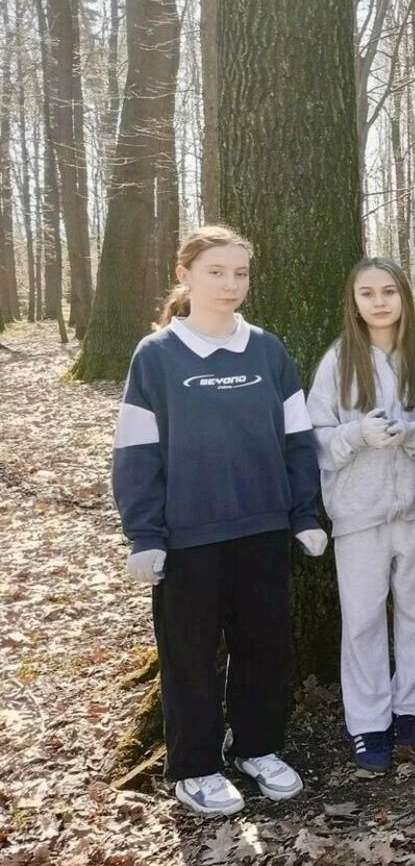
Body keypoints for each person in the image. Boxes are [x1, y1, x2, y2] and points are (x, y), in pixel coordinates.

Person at [112, 225, 324, 816]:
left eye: (241, 273)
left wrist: (304, 512)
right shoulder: (155, 356)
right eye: (216, 272)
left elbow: (298, 440)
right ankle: (195, 765)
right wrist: (145, 534)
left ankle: (257, 747)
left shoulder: (267, 350)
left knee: (266, 647)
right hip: (188, 539)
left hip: (262, 530)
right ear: (185, 275)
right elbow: (136, 451)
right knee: (191, 654)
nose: (231, 285)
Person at [308, 257, 415, 776]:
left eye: (389, 291)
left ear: (404, 297)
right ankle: (367, 723)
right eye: (368, 293)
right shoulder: (339, 361)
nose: (380, 302)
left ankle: (411, 711)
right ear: (354, 302)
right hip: (359, 513)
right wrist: (355, 436)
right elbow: (314, 436)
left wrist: (413, 436)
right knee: (363, 617)